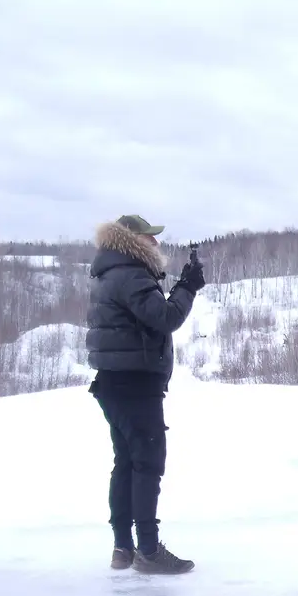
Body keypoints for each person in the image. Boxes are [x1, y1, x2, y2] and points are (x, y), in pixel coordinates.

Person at [85, 214, 205, 573]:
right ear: (134, 240)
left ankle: (123, 548)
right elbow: (165, 318)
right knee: (148, 463)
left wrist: (178, 285)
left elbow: (147, 316)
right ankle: (149, 551)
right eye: (149, 237)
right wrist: (187, 287)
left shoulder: (111, 272)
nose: (155, 243)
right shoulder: (131, 274)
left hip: (115, 382)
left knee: (126, 463)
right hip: (135, 384)